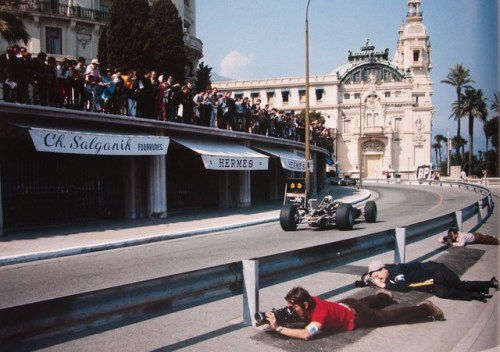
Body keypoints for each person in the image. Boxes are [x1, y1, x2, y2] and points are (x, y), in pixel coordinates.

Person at [264, 286, 444, 341]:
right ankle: (383, 295)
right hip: (346, 304)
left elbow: (306, 334)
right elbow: (301, 312)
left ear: (304, 304)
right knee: (366, 301)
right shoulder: (309, 300)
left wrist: (279, 328)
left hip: (357, 315)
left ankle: (425, 308)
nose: (292, 310)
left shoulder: (320, 313)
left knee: (390, 317)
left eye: (294, 307)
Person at [362, 260, 498, 302]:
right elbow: (398, 286)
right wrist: (369, 280)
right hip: (428, 283)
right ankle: (476, 295)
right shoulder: (388, 275)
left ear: (383, 269)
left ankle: (490, 284)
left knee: (460, 285)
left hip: (436, 271)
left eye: (377, 274)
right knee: (444, 293)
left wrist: (383, 284)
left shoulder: (396, 271)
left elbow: (403, 288)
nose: (377, 278)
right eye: (375, 278)